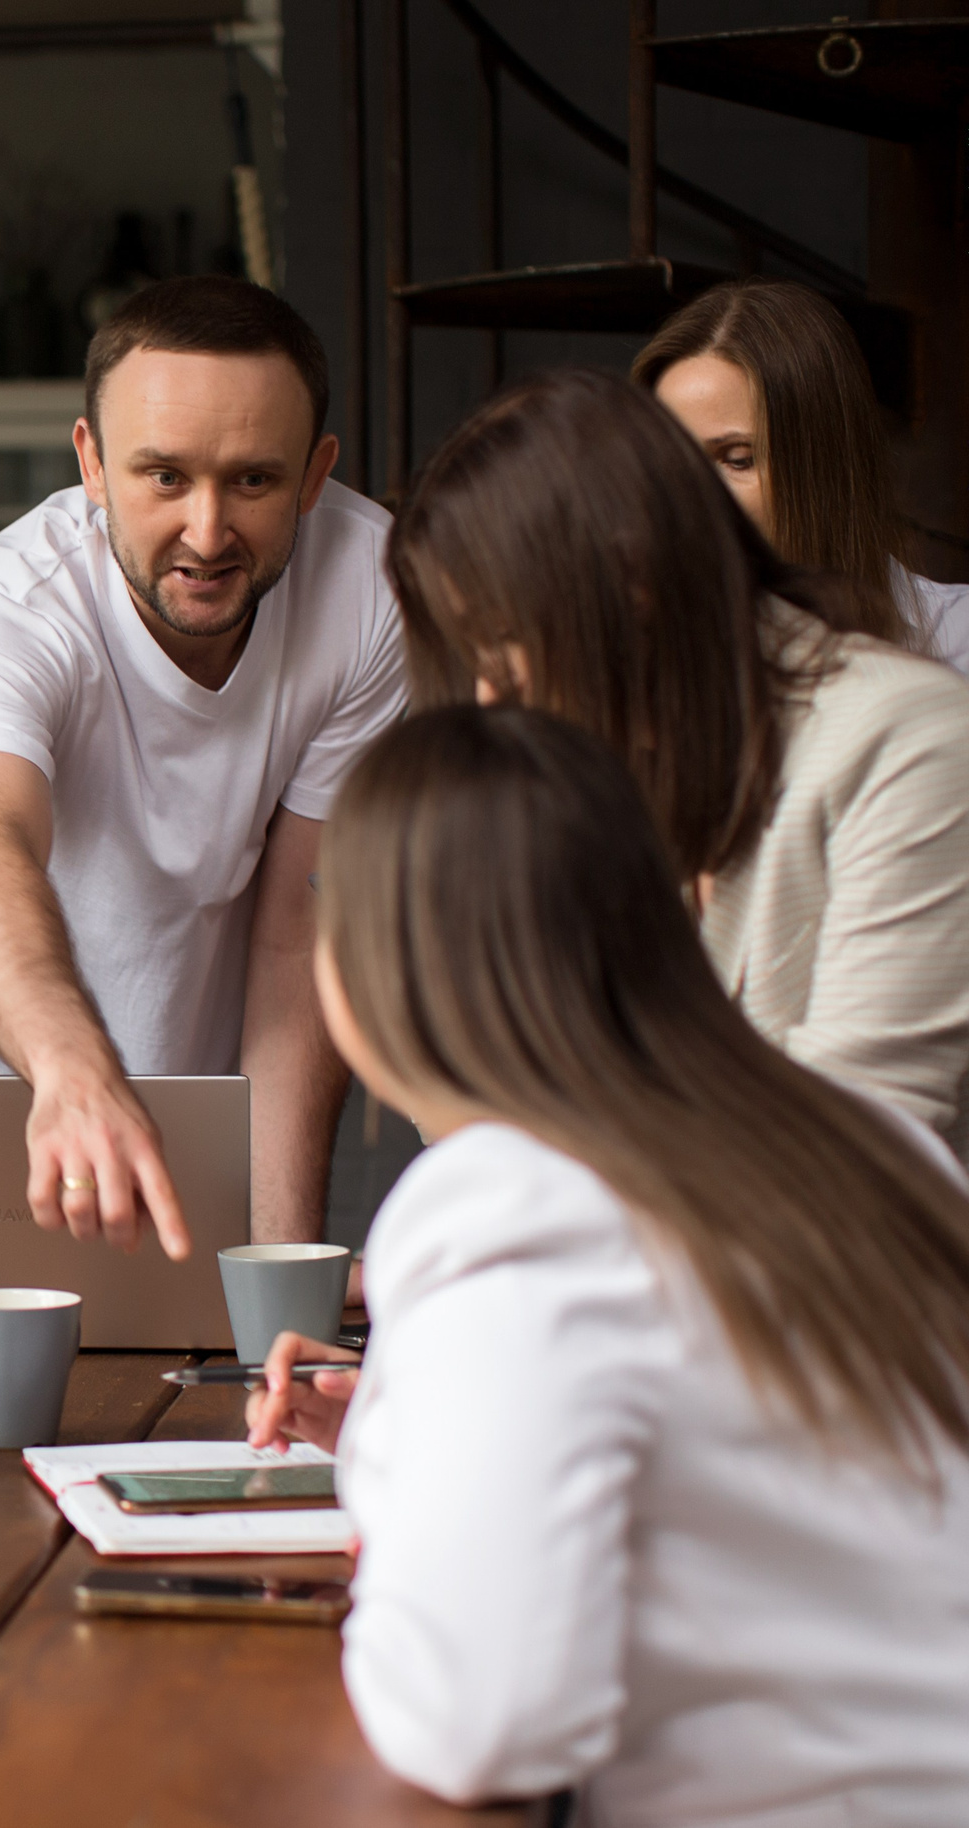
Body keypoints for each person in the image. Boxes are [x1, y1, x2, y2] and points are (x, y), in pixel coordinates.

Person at [243, 705, 969, 1822]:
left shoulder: (503, 1200)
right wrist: (423, 1430)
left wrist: (399, 1482)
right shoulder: (879, 1144)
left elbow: (488, 1720)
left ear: (384, 960)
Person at [0, 275, 404, 1256]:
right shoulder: (10, 602)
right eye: (163, 477)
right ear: (90, 461)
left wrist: (281, 1267)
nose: (207, 533)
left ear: (313, 474)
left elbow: (297, 937)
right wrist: (71, 1069)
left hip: (207, 1120)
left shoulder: (369, 590)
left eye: (253, 481)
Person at [392, 367, 969, 1158]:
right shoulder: (599, 770)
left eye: (511, 661)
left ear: (633, 593)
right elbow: (478, 1123)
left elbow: (854, 1155)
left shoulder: (906, 741)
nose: (491, 704)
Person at [635, 278, 969, 671]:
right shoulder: (633, 645)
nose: (689, 491)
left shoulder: (956, 641)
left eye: (738, 459)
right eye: (670, 457)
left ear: (822, 467)